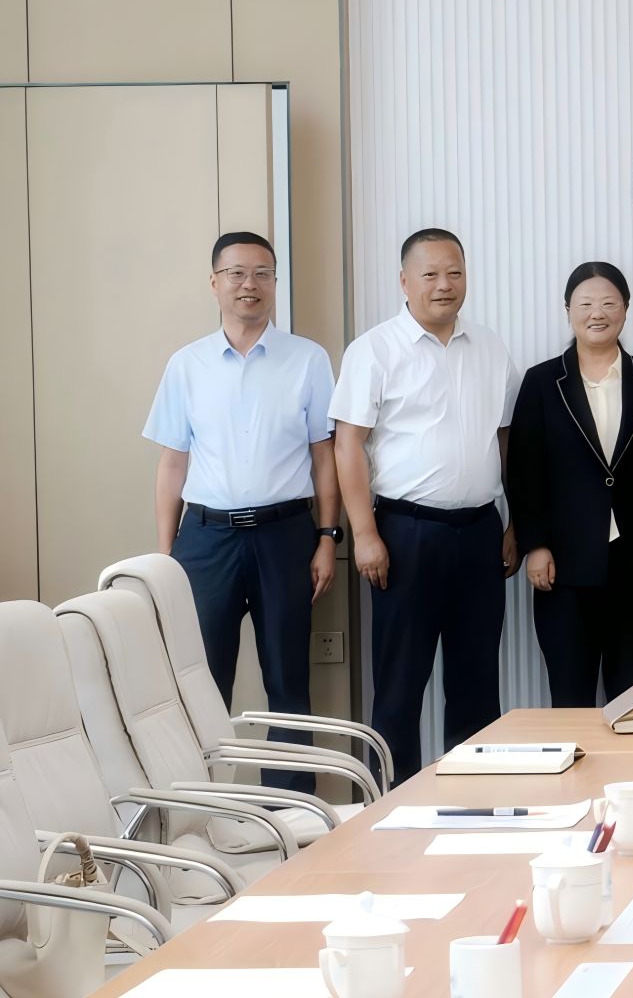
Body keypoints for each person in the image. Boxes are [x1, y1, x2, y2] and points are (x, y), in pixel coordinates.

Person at [143, 231, 340, 793]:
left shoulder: (308, 360)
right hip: (206, 541)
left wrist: (328, 537)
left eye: (262, 273)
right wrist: (167, 558)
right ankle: (204, 807)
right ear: (215, 283)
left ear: (275, 282)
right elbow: (172, 464)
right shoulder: (187, 365)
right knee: (200, 684)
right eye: (236, 273)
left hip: (286, 535)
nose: (249, 284)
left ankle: (293, 810)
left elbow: (324, 457)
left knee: (289, 681)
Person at [331, 228, 519, 782]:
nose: (444, 285)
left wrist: (515, 523)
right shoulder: (374, 349)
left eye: (454, 273)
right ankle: (390, 806)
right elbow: (348, 444)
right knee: (399, 684)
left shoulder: (490, 347)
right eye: (431, 274)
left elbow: (506, 438)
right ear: (404, 281)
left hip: (480, 531)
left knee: (477, 680)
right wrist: (364, 534)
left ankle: (473, 800)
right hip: (404, 534)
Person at [507, 262, 633, 708]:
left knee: (632, 698)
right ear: (568, 310)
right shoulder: (542, 381)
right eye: (585, 303)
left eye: (609, 303)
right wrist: (535, 545)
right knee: (571, 696)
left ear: (626, 308)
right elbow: (524, 470)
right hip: (564, 565)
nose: (597, 313)